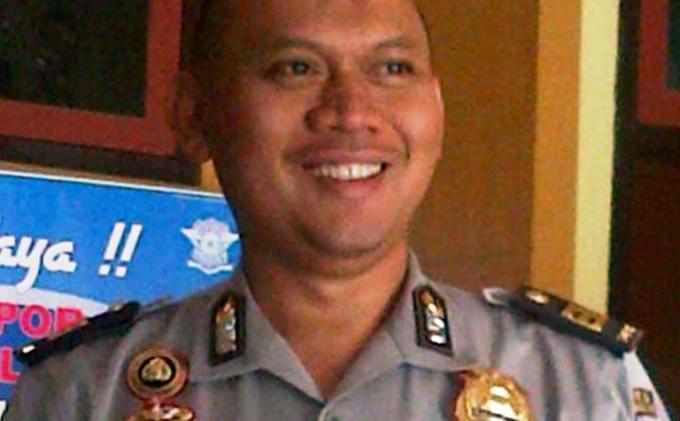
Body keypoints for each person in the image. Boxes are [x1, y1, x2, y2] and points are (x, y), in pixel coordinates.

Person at [5, 0, 672, 419]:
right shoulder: (84, 393)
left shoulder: (578, 386)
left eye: (393, 70)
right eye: (296, 68)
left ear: (437, 109)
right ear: (194, 114)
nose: (351, 111)